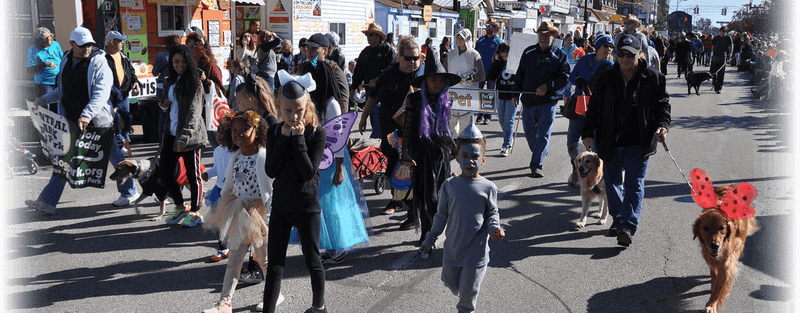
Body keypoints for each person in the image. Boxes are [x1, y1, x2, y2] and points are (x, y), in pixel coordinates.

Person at [25, 27, 140, 214]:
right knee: (64, 161)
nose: (87, 48)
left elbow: (101, 93)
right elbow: (63, 89)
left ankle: (129, 192)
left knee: (116, 158)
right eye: (82, 45)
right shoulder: (66, 59)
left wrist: (87, 114)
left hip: (98, 121)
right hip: (72, 121)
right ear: (72, 44)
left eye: (89, 44)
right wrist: (45, 99)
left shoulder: (100, 61)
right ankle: (47, 202)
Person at [580, 34, 670, 247]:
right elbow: (594, 106)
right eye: (621, 54)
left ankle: (628, 225)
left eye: (630, 54)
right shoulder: (606, 77)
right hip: (610, 140)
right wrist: (587, 132)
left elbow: (663, 105)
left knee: (634, 183)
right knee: (612, 182)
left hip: (639, 141)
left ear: (640, 53)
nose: (625, 59)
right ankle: (618, 218)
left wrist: (663, 126)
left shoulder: (654, 77)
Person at [419, 123, 505, 313]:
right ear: (457, 158)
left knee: (467, 296)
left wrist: (495, 228)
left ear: (483, 160)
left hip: (476, 253)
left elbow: (492, 213)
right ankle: (462, 289)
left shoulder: (489, 187)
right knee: (450, 282)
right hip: (452, 250)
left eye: (475, 157)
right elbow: (441, 216)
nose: (470, 161)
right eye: (465, 156)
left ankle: (466, 306)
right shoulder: (449, 186)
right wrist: (429, 240)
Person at [203, 110, 282, 313]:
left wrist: (269, 216)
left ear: (257, 130)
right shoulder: (236, 156)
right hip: (239, 212)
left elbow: (270, 188)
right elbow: (229, 183)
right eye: (234, 130)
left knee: (264, 259)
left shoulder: (262, 156)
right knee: (234, 260)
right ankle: (225, 302)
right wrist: (224, 204)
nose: (238, 134)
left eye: (244, 129)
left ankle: (274, 295)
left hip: (259, 214)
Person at [263, 77, 328, 313]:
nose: (294, 116)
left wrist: (298, 140)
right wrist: (283, 138)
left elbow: (308, 172)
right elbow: (271, 170)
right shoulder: (274, 131)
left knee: (312, 259)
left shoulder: (316, 133)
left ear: (307, 106)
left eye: (299, 110)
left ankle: (318, 307)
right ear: (279, 106)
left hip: (307, 206)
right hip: (281, 206)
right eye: (288, 110)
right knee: (275, 265)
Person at [357, 36, 423, 219]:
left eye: (416, 58)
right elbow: (374, 97)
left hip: (413, 131)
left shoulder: (423, 76)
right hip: (389, 130)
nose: (413, 62)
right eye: (408, 58)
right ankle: (396, 199)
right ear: (399, 56)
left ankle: (413, 208)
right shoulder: (388, 74)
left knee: (410, 167)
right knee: (393, 166)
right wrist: (363, 117)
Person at [399, 60, 461, 245]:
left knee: (442, 195)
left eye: (441, 81)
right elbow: (407, 127)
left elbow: (447, 128)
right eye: (433, 80)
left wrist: (455, 150)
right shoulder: (414, 99)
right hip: (421, 154)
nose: (437, 84)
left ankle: (443, 232)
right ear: (425, 81)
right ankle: (427, 234)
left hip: (441, 155)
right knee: (426, 197)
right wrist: (405, 154)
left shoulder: (446, 99)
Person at [158, 44, 208, 227]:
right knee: (164, 173)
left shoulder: (195, 82)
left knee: (193, 176)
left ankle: (195, 211)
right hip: (171, 134)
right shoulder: (169, 81)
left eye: (184, 61)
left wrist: (184, 137)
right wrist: (163, 106)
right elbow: (167, 107)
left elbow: (195, 112)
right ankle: (180, 206)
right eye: (176, 61)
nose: (180, 65)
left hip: (190, 137)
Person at [512, 21, 570, 178]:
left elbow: (565, 77)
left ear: (553, 36)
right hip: (528, 101)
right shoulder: (528, 52)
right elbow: (520, 74)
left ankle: (536, 165)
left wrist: (548, 86)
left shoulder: (560, 55)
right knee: (529, 133)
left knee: (543, 134)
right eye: (541, 34)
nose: (543, 37)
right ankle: (541, 150)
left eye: (547, 34)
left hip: (548, 102)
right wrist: (515, 93)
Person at [565, 32, 614, 189]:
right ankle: (576, 169)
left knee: (594, 144)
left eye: (611, 47)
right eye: (606, 46)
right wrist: (577, 80)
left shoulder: (611, 67)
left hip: (597, 109)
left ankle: (594, 175)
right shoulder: (584, 60)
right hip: (579, 105)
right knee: (572, 141)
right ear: (598, 47)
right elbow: (572, 76)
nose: (609, 49)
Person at [351, 23, 397, 139]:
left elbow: (393, 69)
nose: (369, 37)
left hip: (385, 93)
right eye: (368, 35)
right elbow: (358, 72)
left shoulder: (387, 50)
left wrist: (378, 79)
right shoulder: (365, 52)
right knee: (373, 119)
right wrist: (353, 87)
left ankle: (379, 141)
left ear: (379, 36)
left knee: (379, 122)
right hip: (369, 92)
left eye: (371, 35)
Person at [103, 31, 141, 150]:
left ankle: (125, 138)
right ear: (111, 42)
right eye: (119, 40)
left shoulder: (123, 55)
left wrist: (135, 81)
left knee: (126, 117)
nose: (122, 43)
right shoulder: (103, 57)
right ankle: (118, 142)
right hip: (111, 95)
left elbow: (131, 70)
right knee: (115, 118)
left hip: (124, 92)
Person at [299, 33, 349, 119]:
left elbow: (343, 98)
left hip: (328, 117)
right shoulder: (304, 68)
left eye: (314, 48)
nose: (309, 51)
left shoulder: (333, 69)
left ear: (325, 50)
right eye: (308, 48)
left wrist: (341, 119)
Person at [447, 28, 485, 136]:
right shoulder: (451, 54)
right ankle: (453, 143)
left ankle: (464, 143)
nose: (459, 40)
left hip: (468, 94)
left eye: (462, 38)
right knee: (451, 122)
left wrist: (468, 78)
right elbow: (446, 71)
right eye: (457, 37)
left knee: (466, 123)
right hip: (453, 93)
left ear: (467, 39)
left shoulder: (474, 54)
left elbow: (482, 75)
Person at [202, 130, 233, 263]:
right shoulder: (217, 151)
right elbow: (216, 168)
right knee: (220, 221)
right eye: (218, 134)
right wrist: (208, 173)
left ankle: (243, 249)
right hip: (219, 190)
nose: (220, 137)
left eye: (223, 135)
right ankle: (223, 249)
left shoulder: (237, 152)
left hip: (234, 192)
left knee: (237, 222)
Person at [485, 42, 518, 157]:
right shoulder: (499, 63)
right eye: (502, 56)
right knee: (501, 120)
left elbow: (521, 78)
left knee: (509, 121)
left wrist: (518, 93)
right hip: (500, 94)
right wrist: (496, 62)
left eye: (506, 55)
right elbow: (491, 77)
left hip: (512, 96)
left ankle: (506, 145)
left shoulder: (516, 63)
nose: (505, 58)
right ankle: (509, 135)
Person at [152, 34, 181, 140]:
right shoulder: (180, 56)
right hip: (176, 87)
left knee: (163, 115)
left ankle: (162, 142)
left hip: (162, 87)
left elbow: (155, 73)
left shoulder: (160, 55)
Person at [26, 27, 62, 109]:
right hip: (45, 83)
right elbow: (30, 70)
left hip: (58, 81)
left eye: (51, 35)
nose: (51, 38)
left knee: (58, 108)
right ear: (40, 40)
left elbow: (62, 59)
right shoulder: (33, 50)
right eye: (48, 37)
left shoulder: (56, 45)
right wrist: (45, 64)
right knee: (46, 107)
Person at [474, 21, 502, 125]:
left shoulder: (498, 42)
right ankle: (480, 114)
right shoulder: (480, 40)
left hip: (493, 73)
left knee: (490, 94)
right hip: (481, 71)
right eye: (487, 26)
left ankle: (488, 116)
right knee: (480, 93)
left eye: (492, 26)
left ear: (496, 29)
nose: (489, 28)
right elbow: (475, 55)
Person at [710, 26, 733, 94]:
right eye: (722, 31)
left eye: (724, 31)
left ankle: (718, 87)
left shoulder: (728, 37)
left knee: (721, 72)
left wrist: (730, 54)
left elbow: (731, 46)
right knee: (713, 71)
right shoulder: (716, 38)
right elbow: (712, 46)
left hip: (723, 56)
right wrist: (713, 53)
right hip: (715, 56)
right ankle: (714, 84)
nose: (722, 32)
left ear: (726, 31)